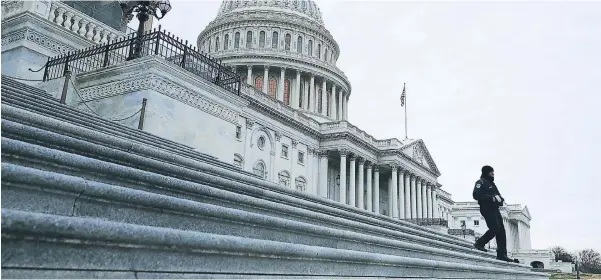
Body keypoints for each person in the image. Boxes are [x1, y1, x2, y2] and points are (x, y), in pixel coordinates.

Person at [472, 165, 516, 263]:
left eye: (493, 172)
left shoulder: (492, 184)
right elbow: (476, 195)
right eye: (491, 172)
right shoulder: (480, 182)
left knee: (501, 231)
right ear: (486, 172)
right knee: (495, 227)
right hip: (486, 208)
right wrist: (491, 198)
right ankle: (480, 243)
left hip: (495, 208)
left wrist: (500, 199)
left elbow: (499, 196)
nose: (493, 174)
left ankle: (502, 254)